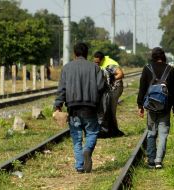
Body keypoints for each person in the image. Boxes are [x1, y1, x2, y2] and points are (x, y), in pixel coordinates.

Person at [53, 43, 105, 173]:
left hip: (73, 108)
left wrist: (58, 105)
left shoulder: (66, 68)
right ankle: (87, 150)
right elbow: (101, 87)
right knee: (92, 132)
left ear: (74, 54)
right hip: (90, 108)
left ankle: (80, 166)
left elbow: (62, 89)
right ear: (87, 54)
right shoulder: (95, 68)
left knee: (76, 138)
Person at [137, 47, 174, 169]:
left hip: (151, 107)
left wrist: (140, 105)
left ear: (153, 57)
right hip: (165, 107)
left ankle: (151, 160)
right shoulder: (170, 69)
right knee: (163, 134)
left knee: (151, 133)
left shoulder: (147, 68)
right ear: (164, 56)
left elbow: (142, 88)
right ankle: (158, 161)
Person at [93, 51, 124, 137]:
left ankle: (114, 131)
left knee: (111, 110)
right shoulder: (98, 65)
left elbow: (121, 74)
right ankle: (108, 130)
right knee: (105, 109)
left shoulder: (110, 64)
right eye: (94, 62)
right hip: (107, 90)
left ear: (102, 60)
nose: (96, 64)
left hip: (115, 89)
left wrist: (110, 80)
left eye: (98, 62)